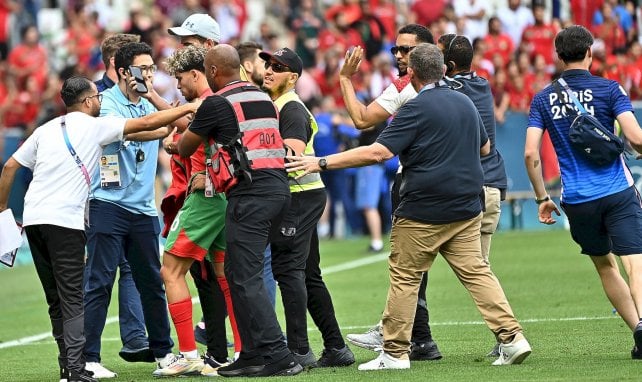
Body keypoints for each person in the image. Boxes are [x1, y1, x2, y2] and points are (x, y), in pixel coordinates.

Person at [286, 43, 532, 370]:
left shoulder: (415, 107)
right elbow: (485, 146)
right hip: (466, 206)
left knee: (405, 276)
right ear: (442, 70)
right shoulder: (465, 102)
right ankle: (512, 338)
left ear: (412, 73)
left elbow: (378, 153)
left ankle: (395, 352)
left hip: (424, 208)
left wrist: (320, 162)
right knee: (477, 272)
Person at [0, 76, 199, 382]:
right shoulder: (96, 127)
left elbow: (10, 167)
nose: (102, 101)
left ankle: (68, 366)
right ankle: (77, 370)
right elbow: (146, 121)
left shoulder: (45, 129)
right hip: (64, 221)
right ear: (89, 101)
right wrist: (192, 107)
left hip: (34, 220)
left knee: (56, 299)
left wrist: (2, 210)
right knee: (73, 297)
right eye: (98, 97)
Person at [177, 44, 302, 377]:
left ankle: (278, 355)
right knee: (236, 273)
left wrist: (179, 129)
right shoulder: (261, 96)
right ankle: (250, 354)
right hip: (277, 190)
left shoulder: (217, 103)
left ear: (214, 71)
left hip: (249, 194)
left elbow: (184, 146)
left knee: (245, 278)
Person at [525, 25, 642, 360]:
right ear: (590, 52)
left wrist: (541, 198)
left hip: (577, 199)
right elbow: (635, 137)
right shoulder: (610, 89)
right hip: (618, 190)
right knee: (635, 262)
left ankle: (636, 329)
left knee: (605, 266)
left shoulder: (543, 98)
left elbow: (531, 154)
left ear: (559, 57)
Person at [340, 23, 442, 361]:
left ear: (428, 51)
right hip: (461, 181)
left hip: (417, 183)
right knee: (463, 267)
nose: (398, 55)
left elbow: (361, 120)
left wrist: (344, 79)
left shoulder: (404, 87)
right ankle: (421, 338)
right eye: (395, 50)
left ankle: (395, 331)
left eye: (406, 50)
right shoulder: (456, 82)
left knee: (407, 266)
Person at [83, 42, 176, 378]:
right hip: (107, 204)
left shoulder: (148, 101)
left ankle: (164, 354)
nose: (149, 74)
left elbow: (170, 125)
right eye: (143, 68)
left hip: (143, 209)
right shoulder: (106, 105)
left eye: (152, 67)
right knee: (99, 282)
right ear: (123, 72)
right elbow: (149, 128)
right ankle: (89, 358)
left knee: (152, 281)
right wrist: (166, 120)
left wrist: (154, 99)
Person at [259, 47, 355, 368]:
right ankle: (336, 348)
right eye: (268, 64)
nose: (269, 70)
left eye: (278, 66)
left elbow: (292, 155)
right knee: (308, 274)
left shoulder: (290, 108)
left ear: (293, 77)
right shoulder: (280, 104)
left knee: (288, 271)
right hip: (304, 194)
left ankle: (298, 350)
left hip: (298, 195)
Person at [154, 45, 241, 378]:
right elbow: (185, 118)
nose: (178, 86)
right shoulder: (221, 99)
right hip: (224, 198)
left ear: (196, 73)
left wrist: (173, 144)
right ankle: (241, 352)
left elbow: (185, 133)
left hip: (205, 197)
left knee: (171, 271)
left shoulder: (207, 102)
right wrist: (153, 98)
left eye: (180, 79)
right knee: (224, 277)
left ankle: (188, 354)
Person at [438, 33, 509, 356]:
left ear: (449, 66)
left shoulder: (449, 90)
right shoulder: (481, 84)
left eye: (437, 56)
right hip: (490, 184)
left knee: (412, 261)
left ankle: (509, 335)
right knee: (478, 268)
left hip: (471, 190)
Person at [236, 40, 278, 308]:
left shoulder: (264, 98)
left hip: (255, 190)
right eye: (266, 64)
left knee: (255, 263)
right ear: (248, 65)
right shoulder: (257, 98)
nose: (270, 70)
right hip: (258, 189)